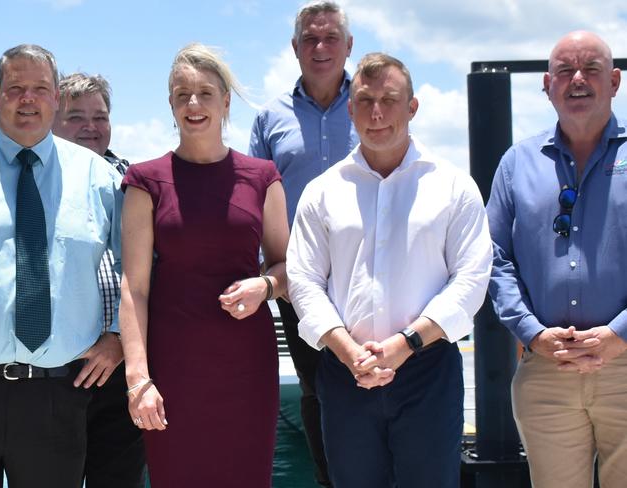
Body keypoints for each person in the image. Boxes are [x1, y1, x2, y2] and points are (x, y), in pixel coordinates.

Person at [287, 52, 492, 488]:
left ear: (412, 107)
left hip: (427, 371)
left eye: (389, 99)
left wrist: (407, 343)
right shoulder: (322, 193)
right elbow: (304, 281)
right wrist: (346, 351)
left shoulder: (454, 187)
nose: (376, 113)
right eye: (364, 100)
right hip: (345, 372)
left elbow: (471, 281)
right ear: (350, 109)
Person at [119, 43, 289, 487]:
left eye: (205, 93)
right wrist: (139, 379)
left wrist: (264, 288)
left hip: (247, 368)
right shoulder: (145, 180)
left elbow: (288, 268)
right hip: (172, 367)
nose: (193, 104)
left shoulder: (262, 176)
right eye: (182, 94)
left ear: (226, 101)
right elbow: (133, 287)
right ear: (171, 104)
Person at [0, 44, 123, 488]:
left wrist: (117, 336)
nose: (28, 98)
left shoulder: (100, 178)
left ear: (56, 97)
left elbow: (140, 270)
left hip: (58, 397)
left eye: (40, 88)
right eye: (16, 87)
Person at [487, 31, 627, 488]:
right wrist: (532, 333)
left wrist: (618, 334)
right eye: (565, 71)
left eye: (591, 68)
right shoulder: (516, 164)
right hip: (546, 368)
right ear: (547, 85)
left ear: (616, 81)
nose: (578, 80)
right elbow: (495, 258)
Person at [249, 2, 358, 484]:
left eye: (331, 38)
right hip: (300, 283)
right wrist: (272, 278)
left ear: (348, 46)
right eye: (310, 40)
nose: (320, 48)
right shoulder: (270, 118)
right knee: (316, 391)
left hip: (371, 275)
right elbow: (253, 201)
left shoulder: (374, 102)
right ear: (295, 49)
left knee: (376, 383)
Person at [52, 72, 146, 488]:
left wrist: (118, 341)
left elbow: (151, 272)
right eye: (75, 116)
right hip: (51, 372)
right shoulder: (32, 180)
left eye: (100, 116)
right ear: (53, 118)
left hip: (121, 361)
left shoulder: (137, 183)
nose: (90, 126)